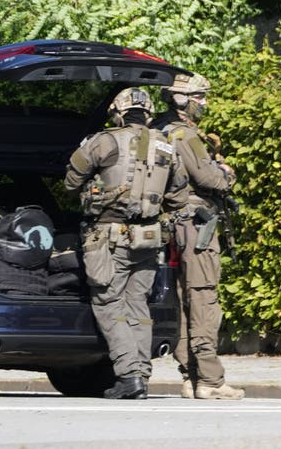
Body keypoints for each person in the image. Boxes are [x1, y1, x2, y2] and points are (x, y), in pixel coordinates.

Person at [65, 87, 188, 400]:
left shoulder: (104, 140)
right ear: (147, 113)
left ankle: (128, 375)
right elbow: (178, 194)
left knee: (110, 304)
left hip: (110, 238)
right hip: (149, 238)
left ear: (118, 112)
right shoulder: (165, 145)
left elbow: (70, 181)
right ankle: (142, 376)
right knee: (138, 305)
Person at [154, 73, 243, 400]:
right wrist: (226, 174)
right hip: (195, 223)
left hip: (168, 224)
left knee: (180, 298)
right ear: (183, 100)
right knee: (203, 296)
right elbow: (209, 178)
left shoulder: (157, 129)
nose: (204, 102)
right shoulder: (186, 135)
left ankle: (189, 377)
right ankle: (210, 380)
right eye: (200, 97)